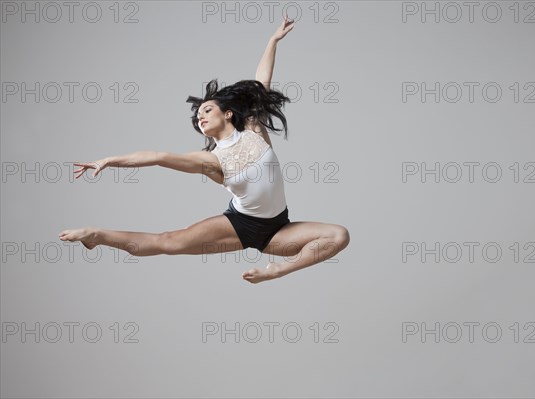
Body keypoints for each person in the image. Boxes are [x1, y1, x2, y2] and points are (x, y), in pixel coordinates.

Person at [59, 16, 350, 284]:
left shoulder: (253, 128)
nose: (201, 116)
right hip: (240, 224)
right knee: (168, 242)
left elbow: (262, 82)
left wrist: (272, 40)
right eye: (198, 115)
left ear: (228, 114)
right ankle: (96, 235)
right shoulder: (212, 160)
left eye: (207, 109)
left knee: (338, 235)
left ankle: (278, 271)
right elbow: (157, 157)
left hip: (277, 229)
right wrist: (108, 160)